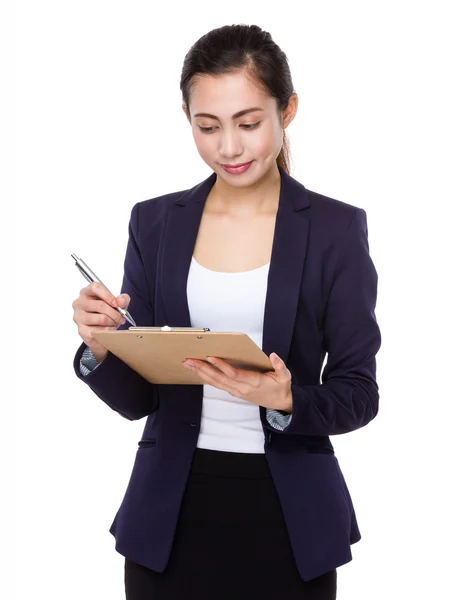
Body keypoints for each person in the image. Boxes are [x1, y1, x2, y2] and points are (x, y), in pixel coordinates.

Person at [72, 23, 381, 600]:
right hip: (169, 514)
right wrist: (102, 346)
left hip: (290, 517)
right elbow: (140, 401)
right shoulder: (155, 222)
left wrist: (286, 399)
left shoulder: (336, 230)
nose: (229, 148)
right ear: (186, 117)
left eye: (248, 123)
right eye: (207, 127)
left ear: (286, 111)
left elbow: (360, 392)